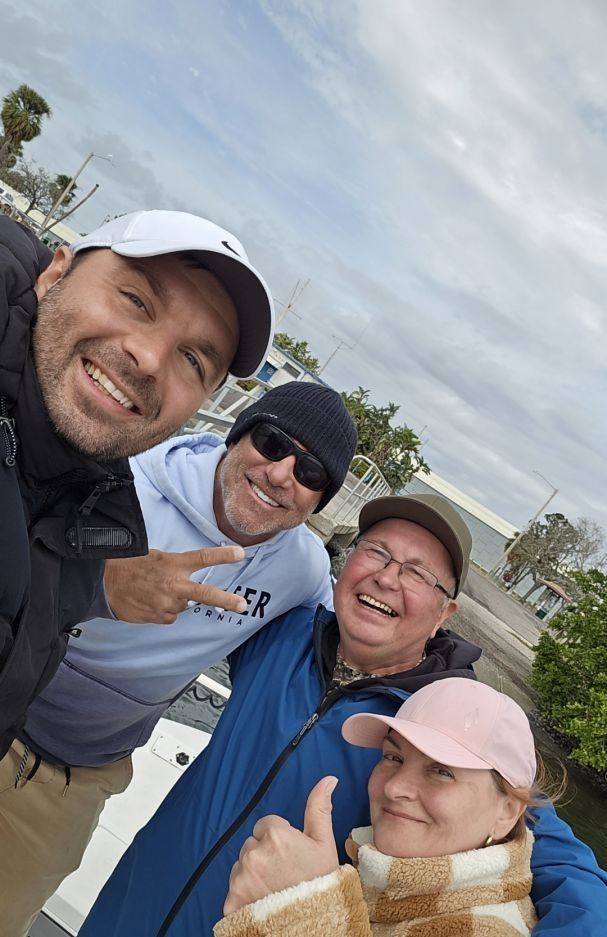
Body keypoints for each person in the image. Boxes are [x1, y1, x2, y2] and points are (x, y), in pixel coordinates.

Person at [80, 494, 607, 937]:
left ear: (445, 614)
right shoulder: (280, 630)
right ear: (345, 562)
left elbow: (565, 866)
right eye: (375, 551)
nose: (386, 577)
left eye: (419, 573)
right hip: (128, 908)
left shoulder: (452, 727)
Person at [0, 381, 357, 936]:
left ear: (317, 503)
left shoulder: (303, 571)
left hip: (76, 779)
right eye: (271, 441)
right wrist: (102, 582)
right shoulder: (129, 475)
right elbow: (14, 554)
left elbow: (351, 650)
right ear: (238, 436)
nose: (282, 473)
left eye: (311, 474)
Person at [0, 207, 274, 758]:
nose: (148, 359)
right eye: (136, 301)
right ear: (55, 273)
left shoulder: (86, 507)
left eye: (193, 359)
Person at [217, 678, 545, 936]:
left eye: (442, 771)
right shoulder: (382, 883)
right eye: (393, 757)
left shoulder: (491, 929)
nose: (394, 786)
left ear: (506, 812)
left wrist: (300, 909)